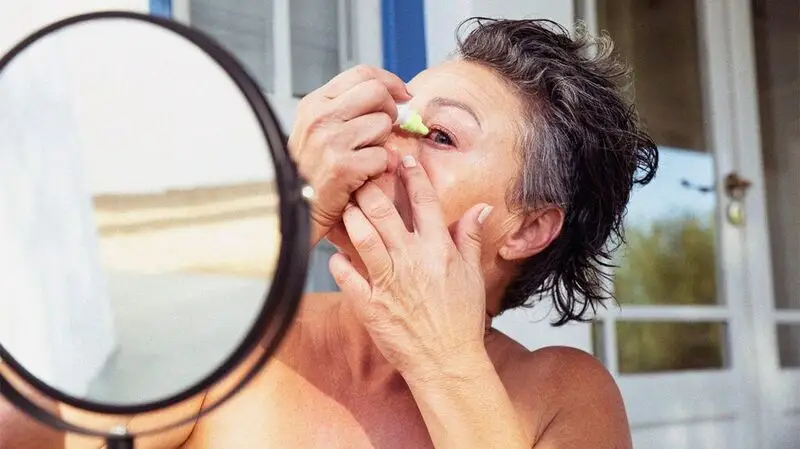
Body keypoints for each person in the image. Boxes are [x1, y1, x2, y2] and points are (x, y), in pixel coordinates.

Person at [1, 18, 657, 448]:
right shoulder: (242, 340)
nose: (377, 138)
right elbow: (42, 434)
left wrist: (441, 357)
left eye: (440, 135)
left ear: (526, 227)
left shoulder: (563, 392)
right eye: (394, 114)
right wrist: (285, 217)